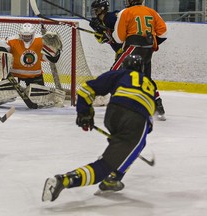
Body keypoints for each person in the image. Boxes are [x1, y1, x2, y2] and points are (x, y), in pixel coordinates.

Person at [42, 54, 156, 202]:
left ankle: (113, 178)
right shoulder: (151, 86)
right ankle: (63, 180)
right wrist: (126, 137)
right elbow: (148, 125)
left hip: (113, 114)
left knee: (128, 146)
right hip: (136, 122)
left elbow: (86, 90)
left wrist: (84, 113)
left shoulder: (119, 74)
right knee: (106, 165)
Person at [0, 23, 64, 107]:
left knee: (37, 98)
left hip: (35, 75)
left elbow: (52, 59)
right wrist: (0, 53)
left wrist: (56, 53)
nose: (26, 38)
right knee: (5, 91)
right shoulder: (12, 40)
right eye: (24, 36)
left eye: (29, 36)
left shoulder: (40, 40)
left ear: (33, 34)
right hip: (13, 76)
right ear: (20, 34)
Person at [111, 0, 167, 121]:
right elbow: (163, 33)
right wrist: (149, 42)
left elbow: (118, 39)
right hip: (148, 51)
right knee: (145, 78)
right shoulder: (152, 12)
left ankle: (118, 106)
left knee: (114, 72)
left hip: (132, 48)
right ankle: (158, 106)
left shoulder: (126, 12)